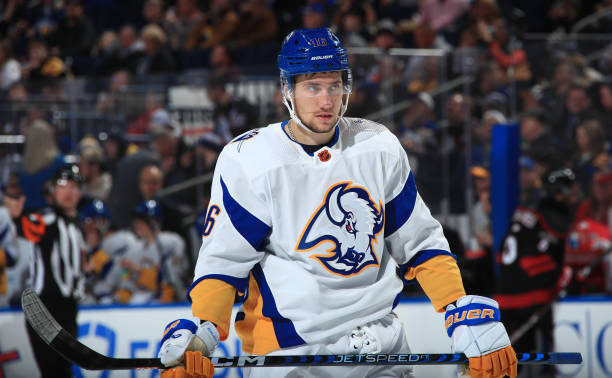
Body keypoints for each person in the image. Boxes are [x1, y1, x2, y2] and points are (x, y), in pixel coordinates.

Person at [156, 28, 517, 378]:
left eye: (334, 86)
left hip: (382, 348)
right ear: (287, 90)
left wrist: (458, 309)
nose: (327, 101)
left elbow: (420, 244)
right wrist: (204, 330)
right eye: (312, 87)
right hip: (293, 357)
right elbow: (224, 263)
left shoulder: (377, 145)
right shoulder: (249, 160)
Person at [495, 168, 581, 376]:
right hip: (530, 299)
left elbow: (501, 256)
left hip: (504, 298)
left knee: (513, 362)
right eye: (570, 190)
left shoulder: (527, 212)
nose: (575, 194)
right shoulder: (550, 217)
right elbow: (532, 261)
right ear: (558, 192)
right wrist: (564, 277)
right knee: (538, 361)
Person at [15, 165, 86, 378]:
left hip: (69, 309)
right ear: (52, 190)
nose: (69, 192)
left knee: (62, 372)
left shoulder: (76, 226)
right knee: (53, 371)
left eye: (74, 187)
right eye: (63, 186)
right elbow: (27, 225)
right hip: (45, 307)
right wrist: (17, 216)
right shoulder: (46, 218)